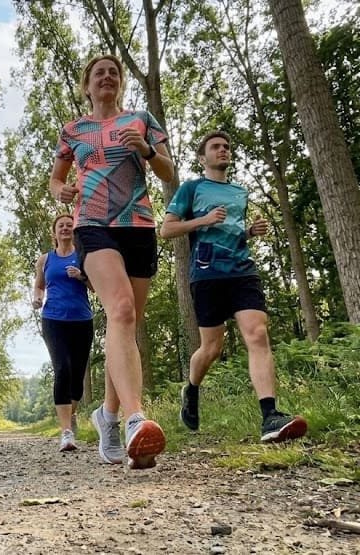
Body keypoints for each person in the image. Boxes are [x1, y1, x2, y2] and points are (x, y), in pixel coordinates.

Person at [50, 54, 175, 469]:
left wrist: (146, 151)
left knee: (127, 323)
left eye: (114, 73)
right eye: (99, 73)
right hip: (92, 224)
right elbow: (56, 177)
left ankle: (107, 414)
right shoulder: (74, 130)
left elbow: (167, 171)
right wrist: (60, 191)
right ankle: (135, 419)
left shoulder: (142, 119)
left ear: (120, 83)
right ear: (87, 85)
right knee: (120, 310)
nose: (107, 77)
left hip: (138, 224)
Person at [160, 130, 308, 443]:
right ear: (202, 158)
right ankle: (192, 387)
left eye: (226, 147)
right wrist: (203, 221)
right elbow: (167, 229)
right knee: (212, 347)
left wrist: (250, 232)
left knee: (257, 333)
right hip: (206, 274)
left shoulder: (240, 193)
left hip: (242, 270)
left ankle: (270, 415)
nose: (223, 150)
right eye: (215, 147)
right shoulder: (191, 188)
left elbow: (233, 232)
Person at [32, 214, 94, 452]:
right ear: (54, 233)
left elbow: (96, 287)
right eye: (61, 226)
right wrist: (37, 299)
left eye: (70, 225)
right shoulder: (45, 259)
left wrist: (81, 276)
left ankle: (71, 415)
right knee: (62, 369)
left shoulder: (83, 256)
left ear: (74, 231)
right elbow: (40, 285)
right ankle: (66, 432)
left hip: (82, 319)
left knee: (77, 375)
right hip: (53, 319)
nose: (66, 228)